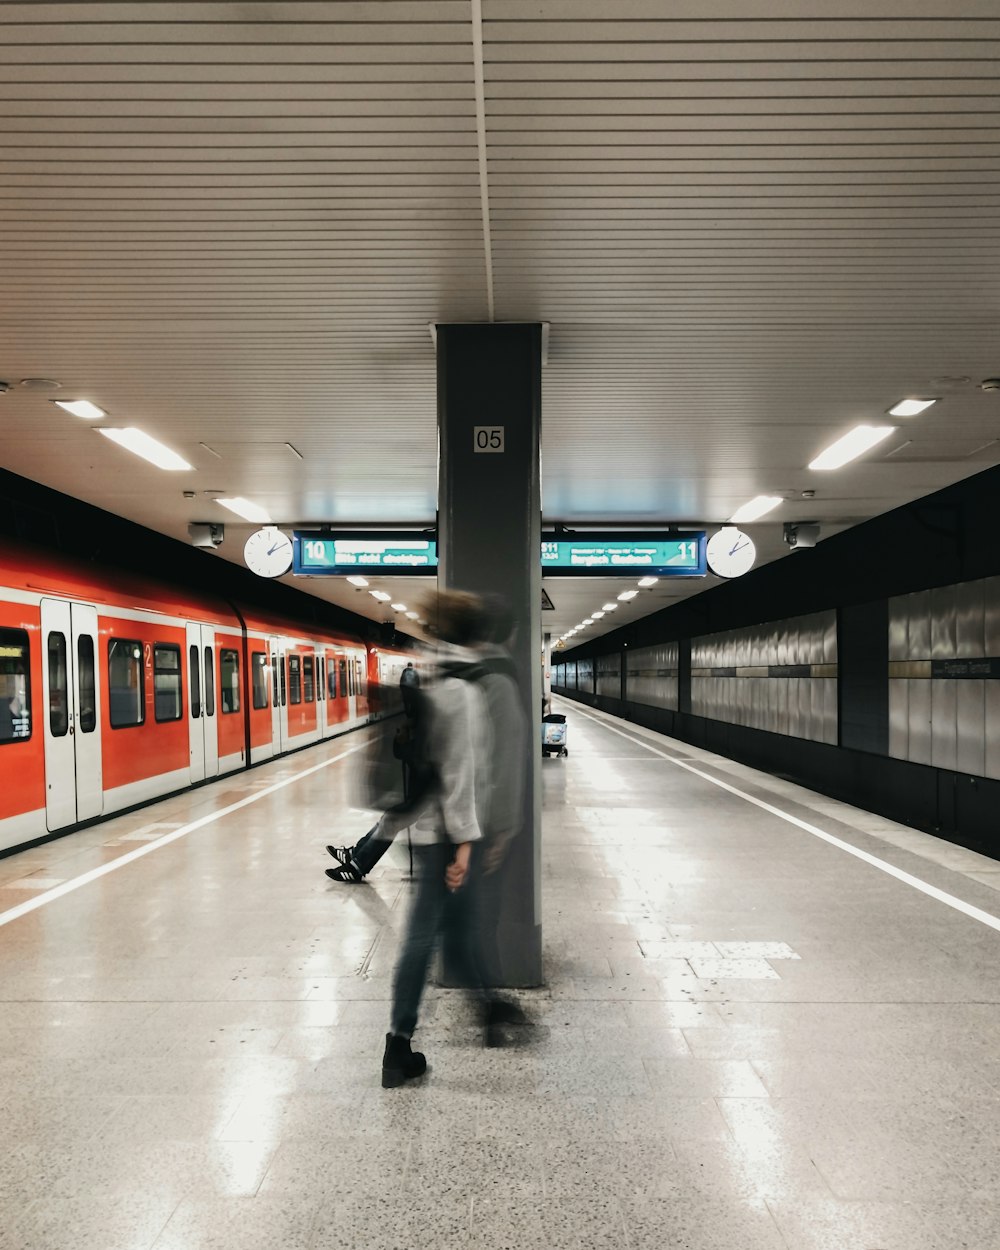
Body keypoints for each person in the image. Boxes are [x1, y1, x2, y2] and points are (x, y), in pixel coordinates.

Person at [375, 590, 492, 1087]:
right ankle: (398, 1047)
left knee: (453, 928)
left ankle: (490, 1011)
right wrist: (465, 843)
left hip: (425, 827)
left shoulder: (429, 675)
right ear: (473, 633)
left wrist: (392, 824)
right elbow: (459, 770)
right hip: (443, 832)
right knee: (424, 937)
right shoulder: (462, 691)